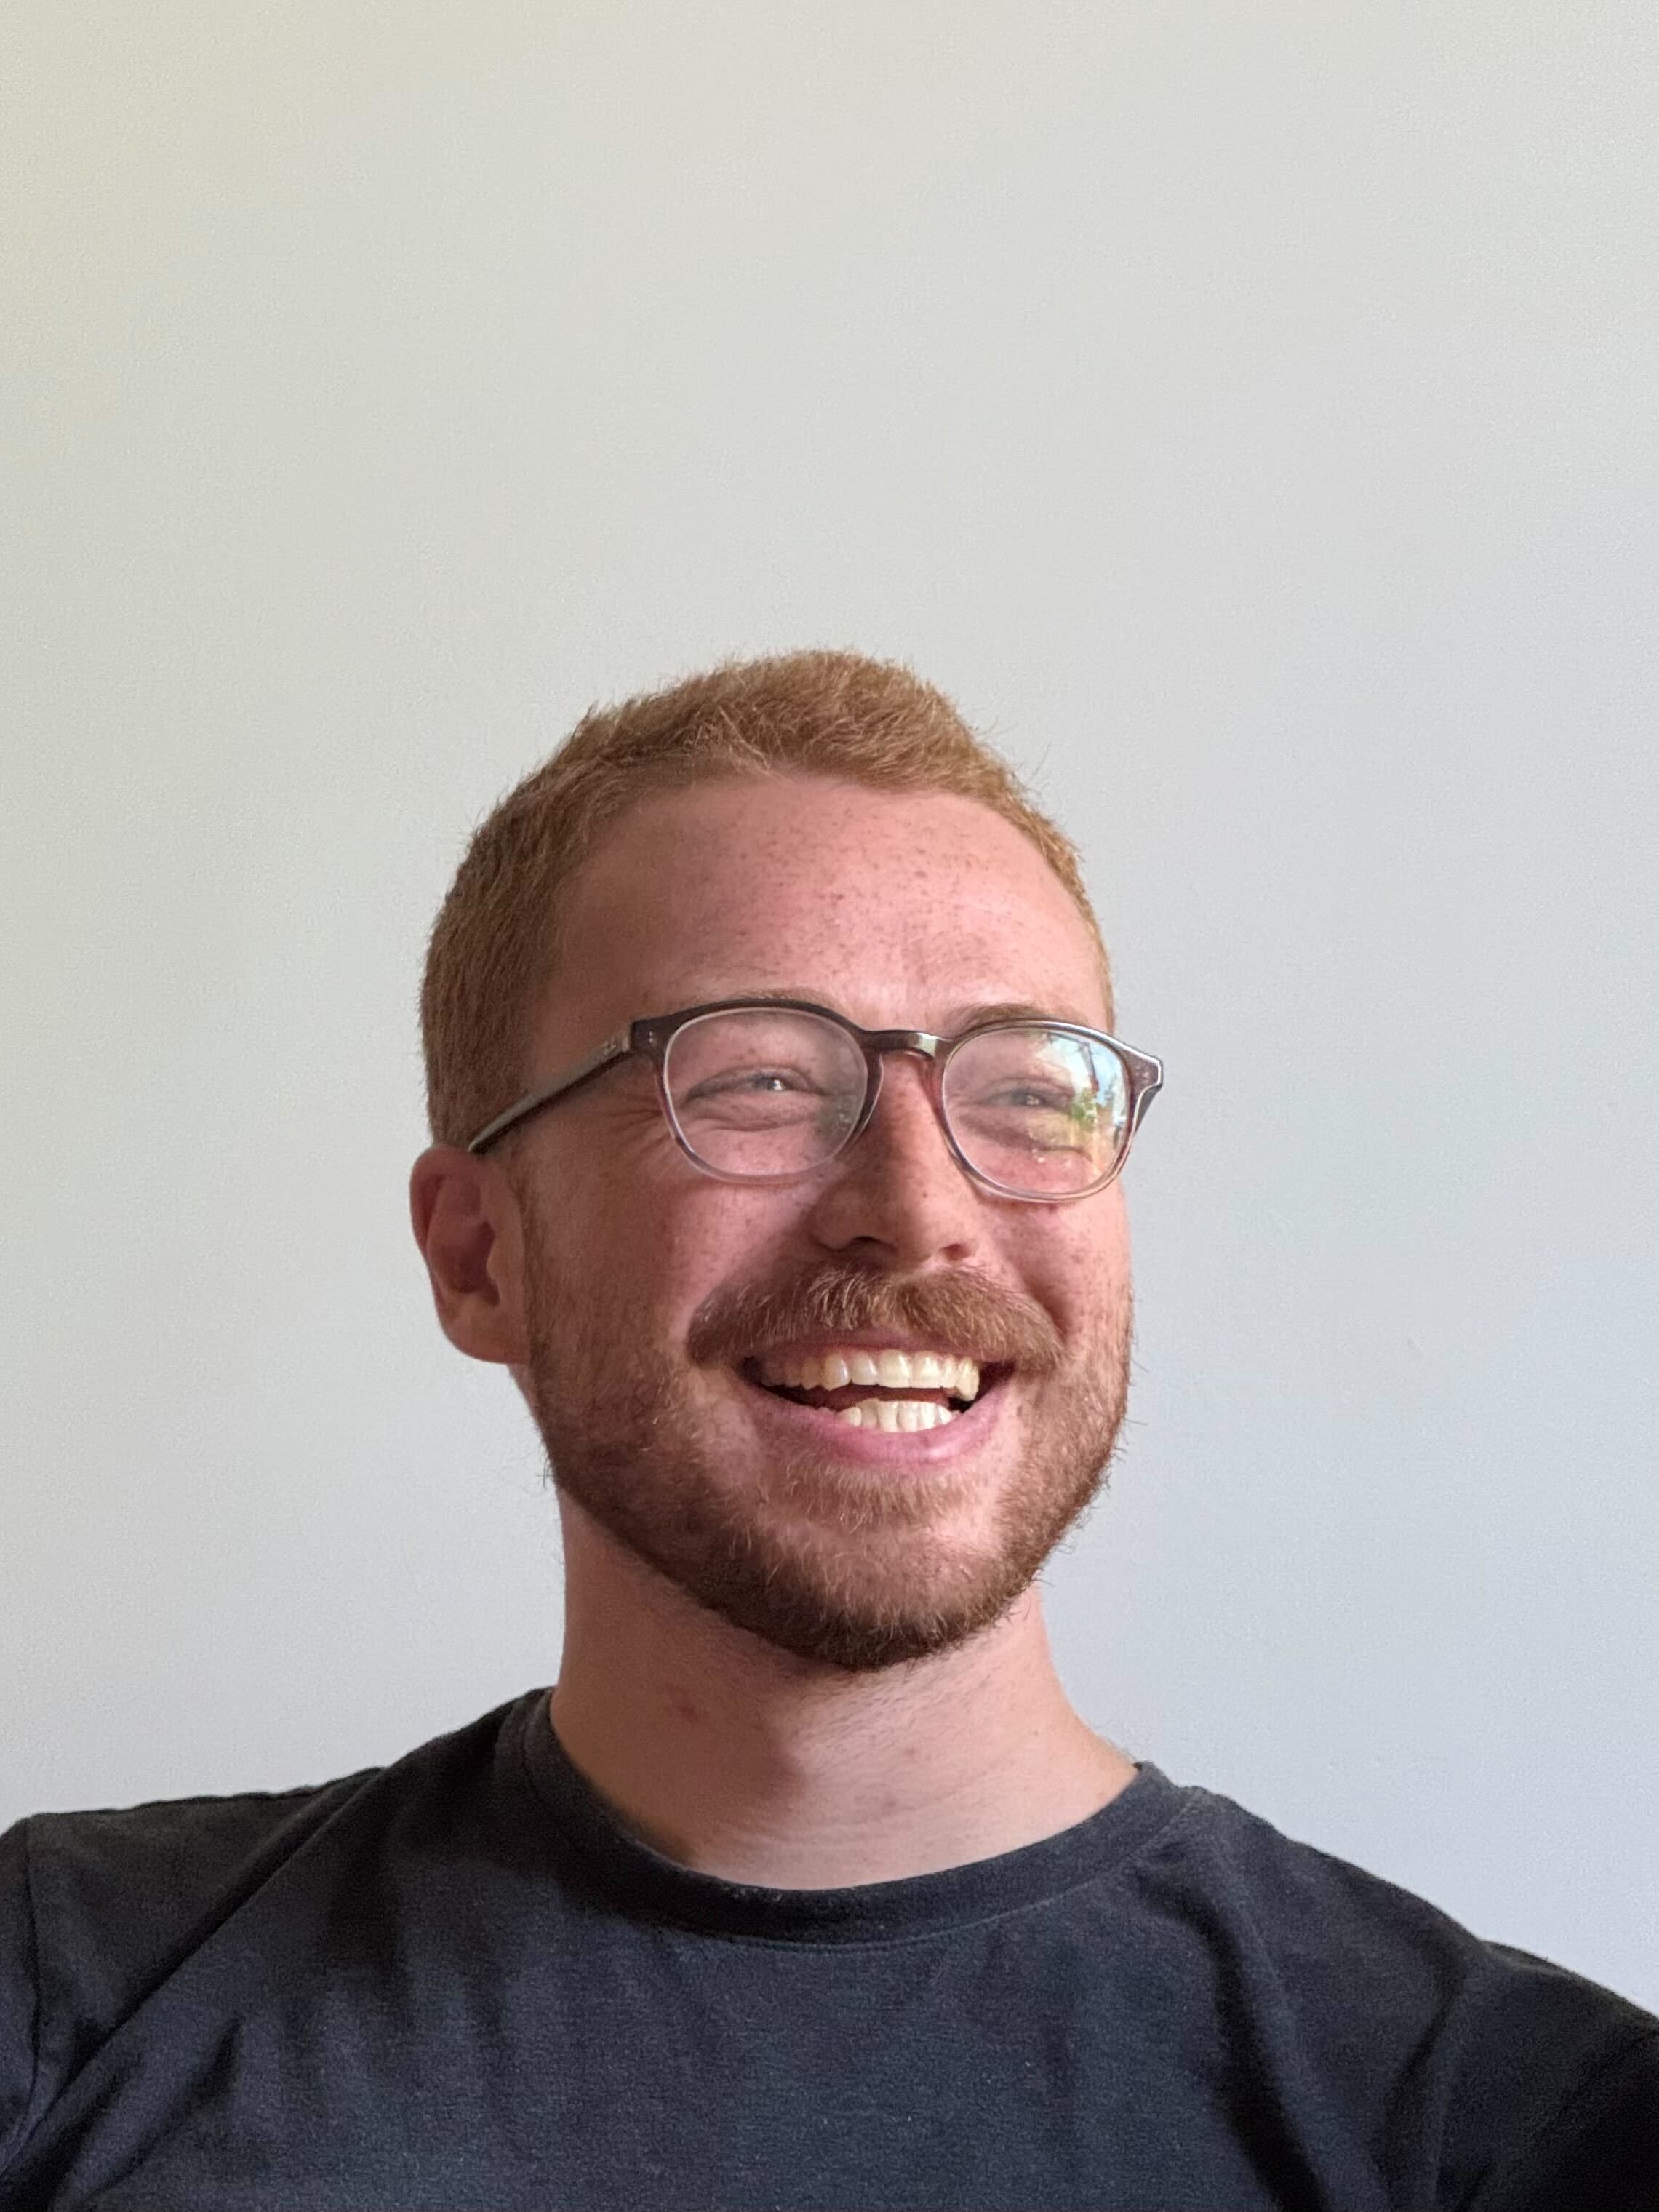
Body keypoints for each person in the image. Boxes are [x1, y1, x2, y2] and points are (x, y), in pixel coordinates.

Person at [1, 652, 1653, 2212]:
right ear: (478, 1254)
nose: (920, 1212)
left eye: (1028, 1091)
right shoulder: (63, 1990)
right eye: (757, 1082)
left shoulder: (1515, 2129)